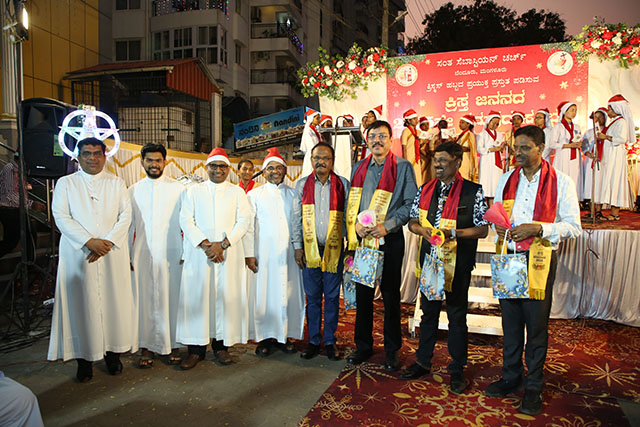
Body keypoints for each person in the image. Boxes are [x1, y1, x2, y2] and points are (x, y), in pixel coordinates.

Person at [485, 125, 581, 416]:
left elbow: (573, 227)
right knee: (511, 323)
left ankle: (534, 385)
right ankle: (510, 376)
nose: (518, 153)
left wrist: (539, 228)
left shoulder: (561, 181)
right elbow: (497, 215)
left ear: (541, 148)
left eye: (525, 148)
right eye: (516, 148)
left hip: (539, 260)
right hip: (509, 259)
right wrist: (499, 227)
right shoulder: (506, 179)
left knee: (536, 327)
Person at [400, 142, 489, 394]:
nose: (437, 165)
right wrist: (422, 230)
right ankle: (422, 361)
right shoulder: (425, 189)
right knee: (428, 313)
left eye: (443, 160)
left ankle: (457, 368)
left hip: (457, 264)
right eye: (435, 160)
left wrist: (454, 233)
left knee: (456, 316)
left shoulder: (473, 191)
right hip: (430, 262)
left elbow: (483, 229)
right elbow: (412, 221)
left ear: (457, 162)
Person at [48, 137, 134, 382]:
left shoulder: (116, 182)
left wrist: (107, 242)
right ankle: (84, 360)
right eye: (87, 153)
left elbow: (126, 215)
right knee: (81, 305)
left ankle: (113, 355)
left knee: (113, 303)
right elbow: (61, 216)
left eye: (97, 153)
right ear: (78, 157)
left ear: (105, 156)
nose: (92, 158)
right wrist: (88, 241)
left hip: (111, 252)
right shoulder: (66, 183)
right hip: (79, 253)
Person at [345, 120, 418, 371]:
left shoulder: (403, 167)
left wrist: (389, 225)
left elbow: (410, 203)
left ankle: (391, 350)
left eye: (382, 136)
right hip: (364, 240)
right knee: (363, 294)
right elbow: (351, 201)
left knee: (390, 295)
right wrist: (355, 226)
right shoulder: (358, 168)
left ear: (390, 139)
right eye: (373, 136)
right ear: (367, 140)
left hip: (390, 239)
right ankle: (363, 346)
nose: (377, 140)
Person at [176, 147, 252, 370]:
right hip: (200, 256)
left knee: (223, 299)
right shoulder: (193, 191)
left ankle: (221, 347)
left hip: (228, 254)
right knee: (198, 299)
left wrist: (223, 245)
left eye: (222, 166)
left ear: (228, 169)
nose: (218, 170)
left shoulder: (237, 193)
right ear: (206, 167)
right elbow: (185, 220)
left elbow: (244, 221)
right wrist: (206, 245)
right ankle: (195, 350)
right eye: (214, 166)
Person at [244, 147, 305, 357]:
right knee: (264, 295)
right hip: (264, 255)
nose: (275, 172)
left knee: (288, 293)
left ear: (285, 171)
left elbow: (299, 224)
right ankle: (264, 337)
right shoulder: (254, 195)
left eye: (279, 168)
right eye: (270, 168)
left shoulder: (293, 194)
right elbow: (248, 227)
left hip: (288, 255)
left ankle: (285, 336)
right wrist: (249, 254)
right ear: (263, 172)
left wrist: (299, 249)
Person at [129, 143, 185, 368]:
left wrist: (186, 251)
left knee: (172, 298)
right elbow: (128, 227)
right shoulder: (133, 190)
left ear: (165, 162)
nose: (154, 164)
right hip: (142, 253)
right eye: (149, 160)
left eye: (158, 160)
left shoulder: (179, 189)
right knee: (145, 299)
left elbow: (187, 223)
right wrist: (128, 255)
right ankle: (147, 346)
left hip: (173, 253)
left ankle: (174, 344)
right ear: (142, 162)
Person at [293, 142, 350, 360]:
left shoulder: (342, 184)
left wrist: (350, 247)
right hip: (310, 250)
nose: (321, 162)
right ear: (311, 160)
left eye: (326, 158)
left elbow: (349, 218)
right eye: (317, 158)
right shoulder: (302, 185)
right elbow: (296, 218)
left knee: (333, 297)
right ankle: (314, 341)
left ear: (332, 161)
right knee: (313, 297)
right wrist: (298, 247)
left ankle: (330, 341)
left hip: (335, 250)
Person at [595, 94, 634, 221]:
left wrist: (605, 137)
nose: (608, 111)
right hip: (611, 157)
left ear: (617, 108)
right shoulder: (614, 122)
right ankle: (613, 212)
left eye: (610, 109)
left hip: (616, 157)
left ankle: (615, 213)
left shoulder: (621, 122)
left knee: (616, 181)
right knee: (612, 181)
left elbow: (621, 139)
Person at [549, 101, 582, 195]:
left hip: (575, 156)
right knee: (563, 176)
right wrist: (568, 145)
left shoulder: (577, 127)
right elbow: (552, 144)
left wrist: (579, 144)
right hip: (563, 155)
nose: (574, 113)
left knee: (574, 176)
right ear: (565, 111)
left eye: (575, 111)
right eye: (572, 110)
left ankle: (574, 198)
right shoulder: (558, 127)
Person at [581, 108, 607, 217]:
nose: (598, 119)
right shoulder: (589, 132)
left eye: (600, 117)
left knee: (600, 184)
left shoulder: (607, 131)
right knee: (590, 184)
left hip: (602, 160)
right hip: (590, 161)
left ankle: (599, 210)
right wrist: (588, 153)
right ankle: (591, 210)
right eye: (596, 117)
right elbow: (584, 145)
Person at [477, 111, 505, 206]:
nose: (495, 124)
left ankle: (494, 208)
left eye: (497, 123)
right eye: (493, 122)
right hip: (486, 161)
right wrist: (492, 149)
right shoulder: (482, 134)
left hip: (497, 163)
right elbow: (479, 149)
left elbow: (501, 148)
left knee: (495, 185)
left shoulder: (500, 135)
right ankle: (485, 208)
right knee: (486, 185)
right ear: (488, 121)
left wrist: (501, 147)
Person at [401, 109, 423, 186]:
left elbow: (420, 146)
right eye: (414, 119)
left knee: (418, 179)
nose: (416, 120)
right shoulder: (406, 131)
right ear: (409, 121)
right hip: (409, 159)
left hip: (417, 159)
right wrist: (405, 162)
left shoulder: (418, 132)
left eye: (417, 118)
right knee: (410, 179)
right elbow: (404, 147)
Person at [456, 114, 478, 182]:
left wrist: (456, 146)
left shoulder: (470, 134)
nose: (460, 124)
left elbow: (469, 149)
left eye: (462, 122)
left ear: (468, 124)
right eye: (460, 122)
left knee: (464, 179)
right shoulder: (462, 135)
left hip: (465, 160)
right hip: (460, 160)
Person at [301, 110, 322, 177]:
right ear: (311, 119)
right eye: (317, 118)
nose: (319, 120)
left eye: (319, 118)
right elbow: (311, 145)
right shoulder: (308, 131)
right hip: (312, 155)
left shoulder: (315, 130)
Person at [334, 114, 355, 179]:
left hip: (351, 160)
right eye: (344, 122)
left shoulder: (354, 133)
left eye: (348, 122)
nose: (346, 124)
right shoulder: (338, 134)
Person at [418, 116, 435, 184]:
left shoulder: (431, 134)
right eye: (424, 125)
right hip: (423, 157)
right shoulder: (419, 135)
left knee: (429, 174)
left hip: (429, 157)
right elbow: (418, 147)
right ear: (421, 126)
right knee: (422, 174)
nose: (426, 126)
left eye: (427, 124)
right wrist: (423, 143)